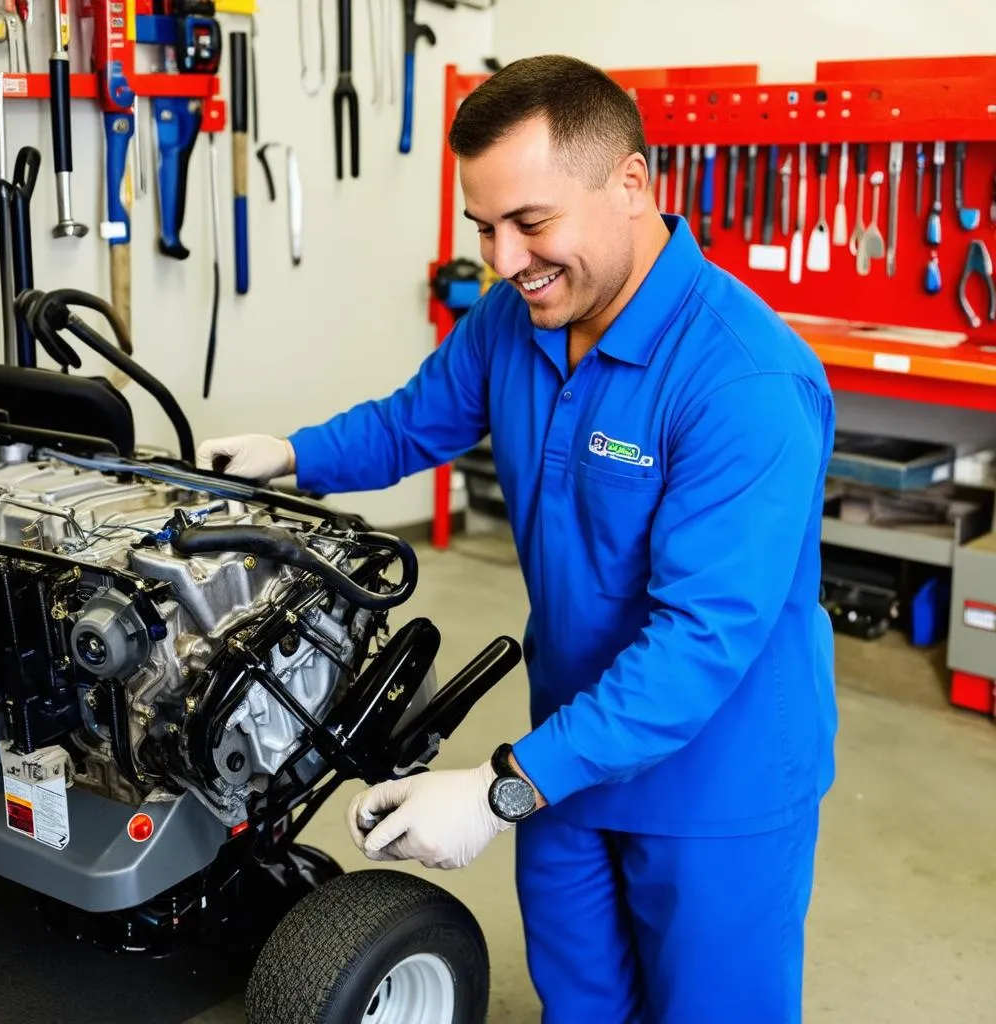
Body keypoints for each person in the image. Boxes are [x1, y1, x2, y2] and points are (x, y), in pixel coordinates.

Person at [197, 55, 838, 1024]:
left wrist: (502, 790)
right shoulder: (518, 315)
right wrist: (288, 453)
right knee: (580, 1003)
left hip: (717, 782)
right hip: (567, 745)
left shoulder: (743, 383)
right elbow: (414, 420)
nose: (502, 258)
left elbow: (701, 644)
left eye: (529, 223)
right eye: (483, 228)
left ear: (630, 184)